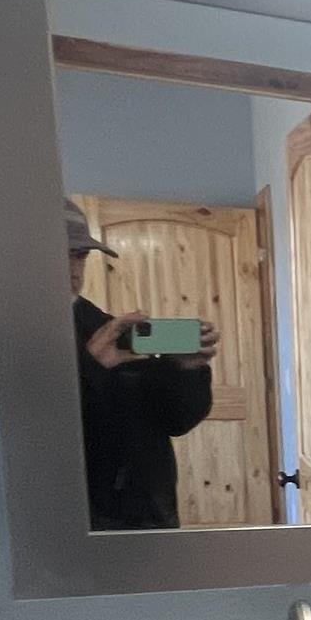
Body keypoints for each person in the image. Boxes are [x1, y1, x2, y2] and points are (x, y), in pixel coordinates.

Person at [68, 199, 216, 529]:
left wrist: (188, 371)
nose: (73, 269)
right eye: (61, 253)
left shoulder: (107, 330)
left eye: (80, 255)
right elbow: (34, 434)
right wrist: (90, 367)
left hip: (144, 525)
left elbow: (176, 419)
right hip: (66, 532)